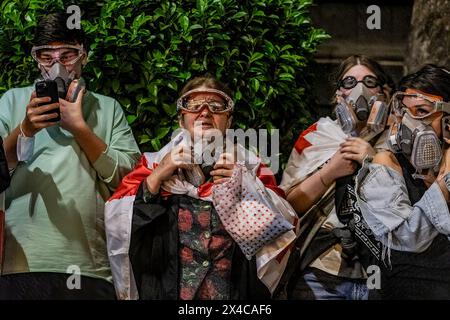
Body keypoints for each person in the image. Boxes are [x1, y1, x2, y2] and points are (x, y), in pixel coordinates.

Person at [105, 75, 299, 300]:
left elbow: (281, 231)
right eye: (194, 106)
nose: (205, 112)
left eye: (216, 107)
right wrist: (156, 178)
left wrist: (246, 186)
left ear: (229, 120)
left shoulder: (252, 168)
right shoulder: (152, 165)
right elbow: (121, 229)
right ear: (181, 120)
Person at [0, 12, 140, 299]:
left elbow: (130, 180)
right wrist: (25, 128)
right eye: (46, 56)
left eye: (67, 55)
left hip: (92, 265)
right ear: (36, 60)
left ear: (83, 57)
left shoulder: (107, 107)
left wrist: (80, 129)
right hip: (22, 263)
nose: (57, 66)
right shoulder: (12, 100)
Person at [276, 55, 394, 300]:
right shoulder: (316, 136)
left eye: (369, 81)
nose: (359, 89)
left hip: (383, 273)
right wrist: (330, 171)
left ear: (385, 92)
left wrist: (374, 161)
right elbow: (287, 208)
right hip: (322, 271)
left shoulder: (399, 141)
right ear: (338, 94)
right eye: (349, 82)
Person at [355, 64, 450, 299]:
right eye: (404, 111)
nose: (409, 122)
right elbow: (409, 236)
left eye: (421, 112)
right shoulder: (386, 162)